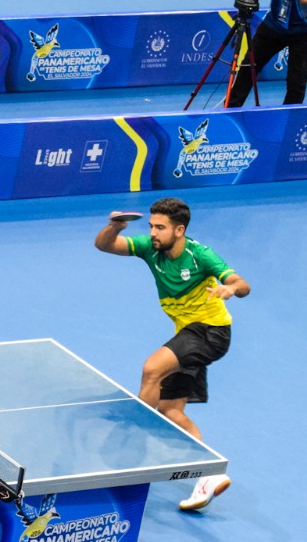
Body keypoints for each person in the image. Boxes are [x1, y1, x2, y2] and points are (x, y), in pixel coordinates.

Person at [94, 198, 249, 511]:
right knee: (170, 411)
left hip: (211, 332)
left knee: (152, 369)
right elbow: (105, 246)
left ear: (179, 230)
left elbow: (241, 284)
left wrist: (230, 289)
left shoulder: (200, 255)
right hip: (188, 334)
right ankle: (210, 474)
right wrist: (114, 227)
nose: (153, 232)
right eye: (152, 226)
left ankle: (134, 444)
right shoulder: (150, 248)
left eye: (160, 228)